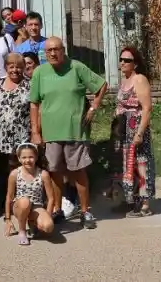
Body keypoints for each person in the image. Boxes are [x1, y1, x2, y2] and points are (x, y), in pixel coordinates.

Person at [29, 36, 107, 229]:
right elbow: (34, 104)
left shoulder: (76, 67)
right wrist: (35, 131)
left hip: (75, 131)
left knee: (78, 171)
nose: (53, 53)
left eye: (57, 49)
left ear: (63, 50)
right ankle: (57, 210)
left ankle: (85, 210)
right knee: (54, 171)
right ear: (45, 53)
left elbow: (101, 84)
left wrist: (93, 108)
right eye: (49, 51)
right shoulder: (40, 72)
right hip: (50, 132)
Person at [110, 45, 156, 217]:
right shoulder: (124, 81)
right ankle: (129, 199)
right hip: (123, 131)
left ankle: (144, 204)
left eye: (127, 60)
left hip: (136, 129)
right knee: (126, 165)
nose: (123, 63)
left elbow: (147, 108)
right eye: (121, 59)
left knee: (141, 164)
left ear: (135, 64)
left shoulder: (139, 79)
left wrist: (140, 133)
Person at [0, 52, 37, 203]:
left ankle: (22, 201)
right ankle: (5, 202)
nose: (15, 70)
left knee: (21, 170)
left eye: (19, 67)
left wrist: (35, 133)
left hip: (22, 136)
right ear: (5, 68)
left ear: (23, 68)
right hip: (2, 137)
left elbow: (35, 110)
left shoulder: (29, 85)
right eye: (11, 67)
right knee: (3, 171)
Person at [4, 143, 55, 245]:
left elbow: (51, 198)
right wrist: (8, 219)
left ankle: (32, 222)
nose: (27, 160)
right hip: (19, 205)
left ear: (36, 157)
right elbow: (9, 197)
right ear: (19, 159)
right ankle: (22, 230)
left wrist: (48, 215)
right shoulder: (14, 174)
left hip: (36, 206)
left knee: (48, 227)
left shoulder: (43, 174)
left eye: (31, 157)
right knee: (25, 202)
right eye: (24, 157)